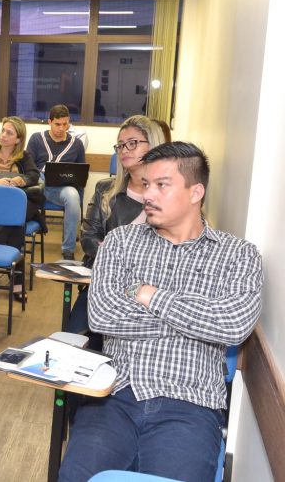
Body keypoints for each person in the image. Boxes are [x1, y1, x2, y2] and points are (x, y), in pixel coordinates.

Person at [59, 142, 262, 482]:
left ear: (195, 191)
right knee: (75, 476)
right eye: (145, 183)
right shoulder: (122, 242)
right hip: (115, 396)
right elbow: (102, 316)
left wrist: (149, 295)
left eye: (161, 185)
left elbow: (231, 327)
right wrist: (198, 318)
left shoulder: (238, 255)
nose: (147, 194)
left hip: (191, 406)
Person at [65, 115, 166, 333]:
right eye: (120, 145)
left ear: (154, 145)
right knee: (74, 336)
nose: (124, 150)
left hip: (147, 294)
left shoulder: (169, 197)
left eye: (133, 143)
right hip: (103, 284)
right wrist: (112, 256)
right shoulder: (105, 190)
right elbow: (89, 237)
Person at [0, 116, 44, 299]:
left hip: (17, 206)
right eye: (3, 130)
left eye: (9, 132)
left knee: (14, 223)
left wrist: (15, 181)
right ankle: (14, 281)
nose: (4, 135)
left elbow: (33, 176)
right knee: (11, 225)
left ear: (18, 139)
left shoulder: (24, 157)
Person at [25, 104, 87, 260]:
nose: (61, 128)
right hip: (39, 185)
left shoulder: (76, 144)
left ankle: (68, 249)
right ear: (49, 122)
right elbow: (27, 168)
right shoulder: (36, 139)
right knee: (39, 177)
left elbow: (81, 176)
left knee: (73, 195)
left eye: (65, 124)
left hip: (61, 188)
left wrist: (79, 200)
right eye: (57, 124)